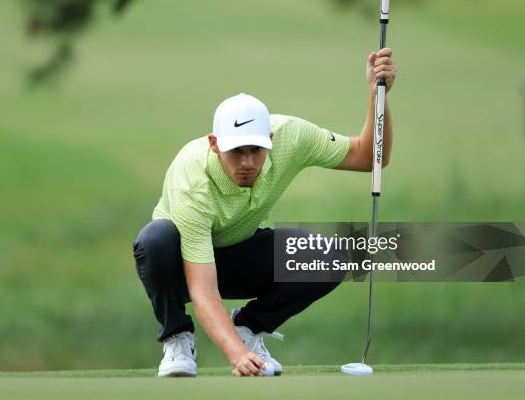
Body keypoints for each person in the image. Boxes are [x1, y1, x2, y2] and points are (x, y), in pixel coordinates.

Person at [133, 48, 397, 377]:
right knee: (155, 239)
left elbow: (368, 157)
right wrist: (236, 355)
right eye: (236, 152)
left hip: (238, 254)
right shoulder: (191, 177)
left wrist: (377, 97)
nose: (247, 163)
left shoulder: (292, 137)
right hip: (178, 266)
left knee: (330, 257)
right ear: (215, 144)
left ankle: (249, 326)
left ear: (270, 140)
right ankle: (176, 337)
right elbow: (202, 287)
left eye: (256, 150)